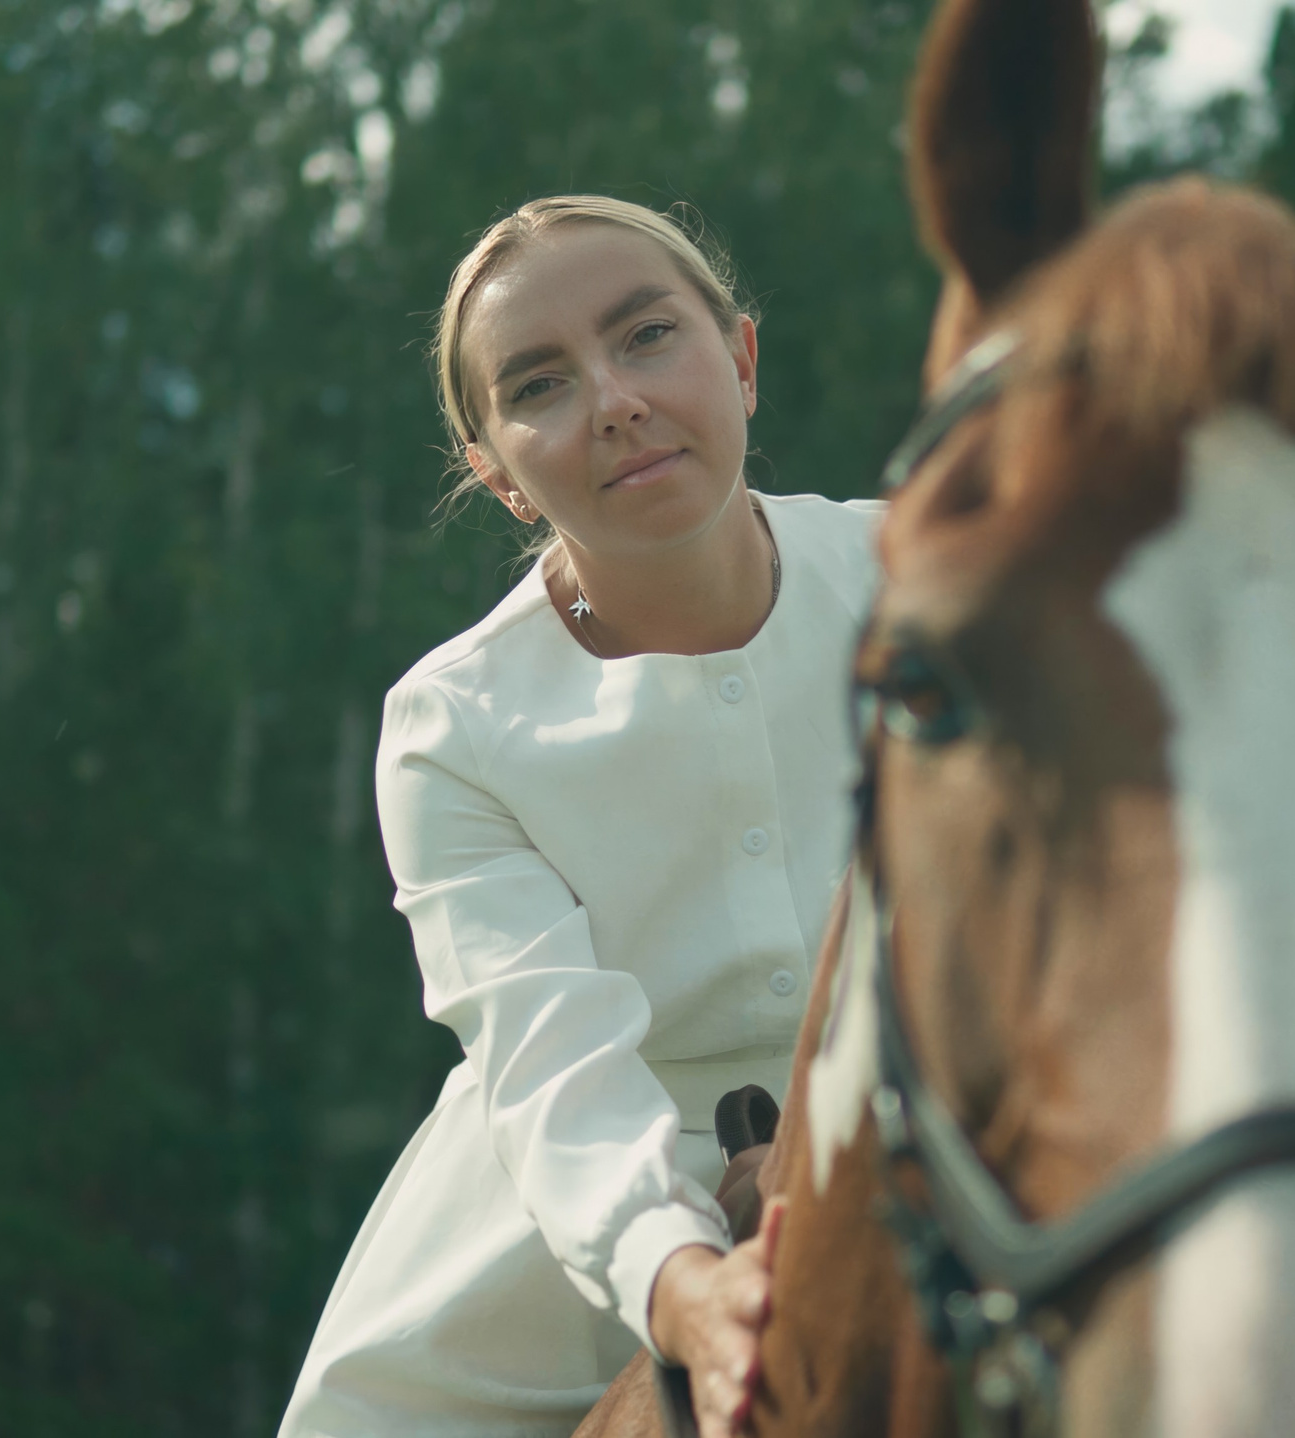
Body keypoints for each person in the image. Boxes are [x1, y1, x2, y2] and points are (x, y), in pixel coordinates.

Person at [277, 196, 882, 1438]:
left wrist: (842, 1148)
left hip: (919, 1158)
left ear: (745, 361)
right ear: (498, 474)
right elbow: (549, 1065)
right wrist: (690, 1290)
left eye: (648, 335)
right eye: (540, 385)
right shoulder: (449, 729)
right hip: (561, 1251)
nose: (611, 399)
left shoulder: (924, 581)